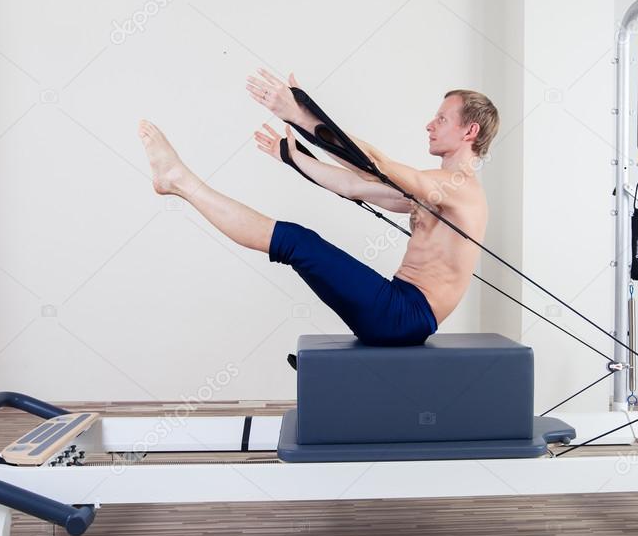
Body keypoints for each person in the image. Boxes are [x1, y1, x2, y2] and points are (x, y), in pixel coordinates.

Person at [138, 69, 499, 346]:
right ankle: (177, 181)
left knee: (298, 242)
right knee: (299, 241)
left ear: (469, 131)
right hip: (400, 309)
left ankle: (179, 181)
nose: (429, 125)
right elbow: (356, 182)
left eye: (442, 119)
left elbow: (377, 163)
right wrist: (294, 156)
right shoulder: (437, 189)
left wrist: (300, 114)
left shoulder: (462, 191)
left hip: (404, 316)